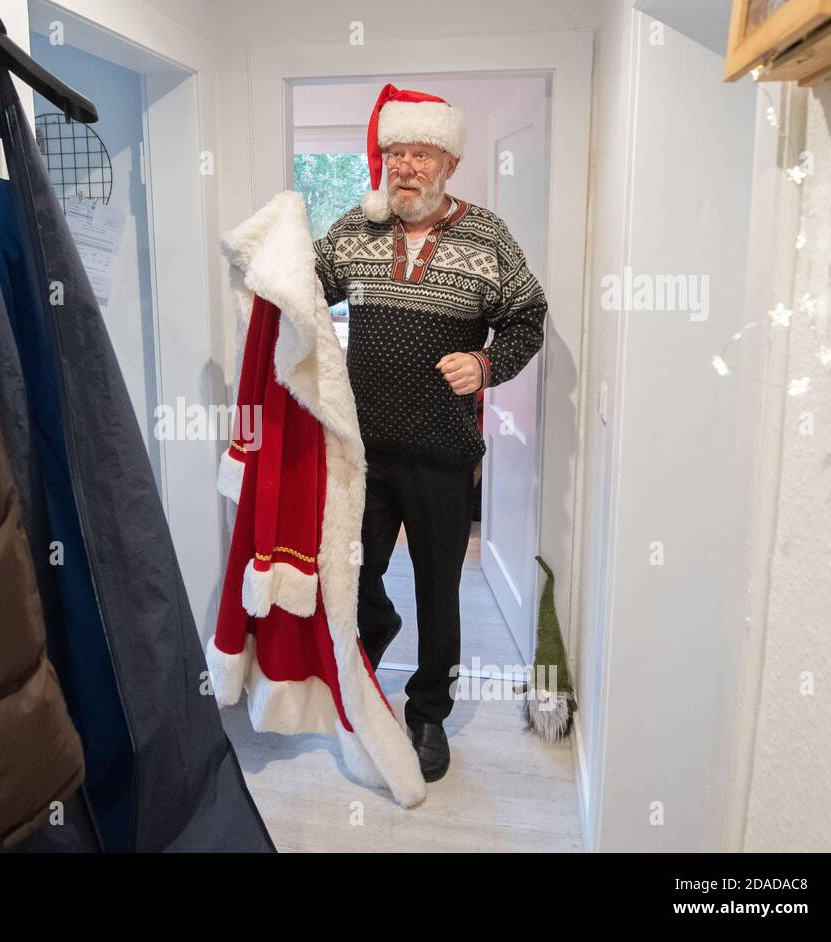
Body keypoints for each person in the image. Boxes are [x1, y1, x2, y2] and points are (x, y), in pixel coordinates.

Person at [313, 84, 547, 782]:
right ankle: (369, 646)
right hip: (362, 450)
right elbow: (305, 287)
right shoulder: (355, 230)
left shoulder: (488, 235)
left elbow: (528, 317)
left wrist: (486, 362)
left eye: (419, 153)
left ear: (447, 160)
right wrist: (265, 261)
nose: (404, 166)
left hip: (442, 452)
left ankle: (427, 712)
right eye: (394, 153)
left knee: (439, 590)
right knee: (352, 574)